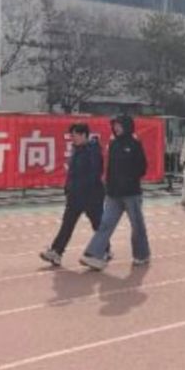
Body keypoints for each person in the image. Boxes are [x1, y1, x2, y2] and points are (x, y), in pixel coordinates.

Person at [81, 115, 150, 271]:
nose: (116, 128)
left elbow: (142, 168)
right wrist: (109, 185)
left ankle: (142, 255)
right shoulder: (113, 144)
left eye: (119, 125)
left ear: (127, 126)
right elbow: (110, 168)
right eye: (115, 125)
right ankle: (93, 254)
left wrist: (128, 179)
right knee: (105, 224)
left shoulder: (135, 144)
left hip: (131, 193)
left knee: (137, 226)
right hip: (113, 194)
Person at [39, 123, 104, 267]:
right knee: (67, 224)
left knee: (98, 224)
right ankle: (56, 252)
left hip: (91, 196)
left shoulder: (93, 151)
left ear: (83, 135)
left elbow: (95, 174)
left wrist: (84, 189)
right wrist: (68, 188)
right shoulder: (77, 150)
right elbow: (72, 173)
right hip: (75, 196)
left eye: (74, 136)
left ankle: (105, 250)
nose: (72, 139)